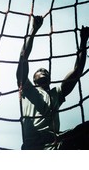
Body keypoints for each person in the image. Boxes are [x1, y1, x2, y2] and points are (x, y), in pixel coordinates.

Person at [16, 15, 89, 149]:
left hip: (56, 143)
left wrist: (83, 42)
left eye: (46, 71)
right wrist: (34, 30)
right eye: (40, 70)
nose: (44, 70)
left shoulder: (56, 93)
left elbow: (77, 71)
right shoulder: (27, 89)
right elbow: (23, 57)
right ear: (33, 79)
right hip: (34, 145)